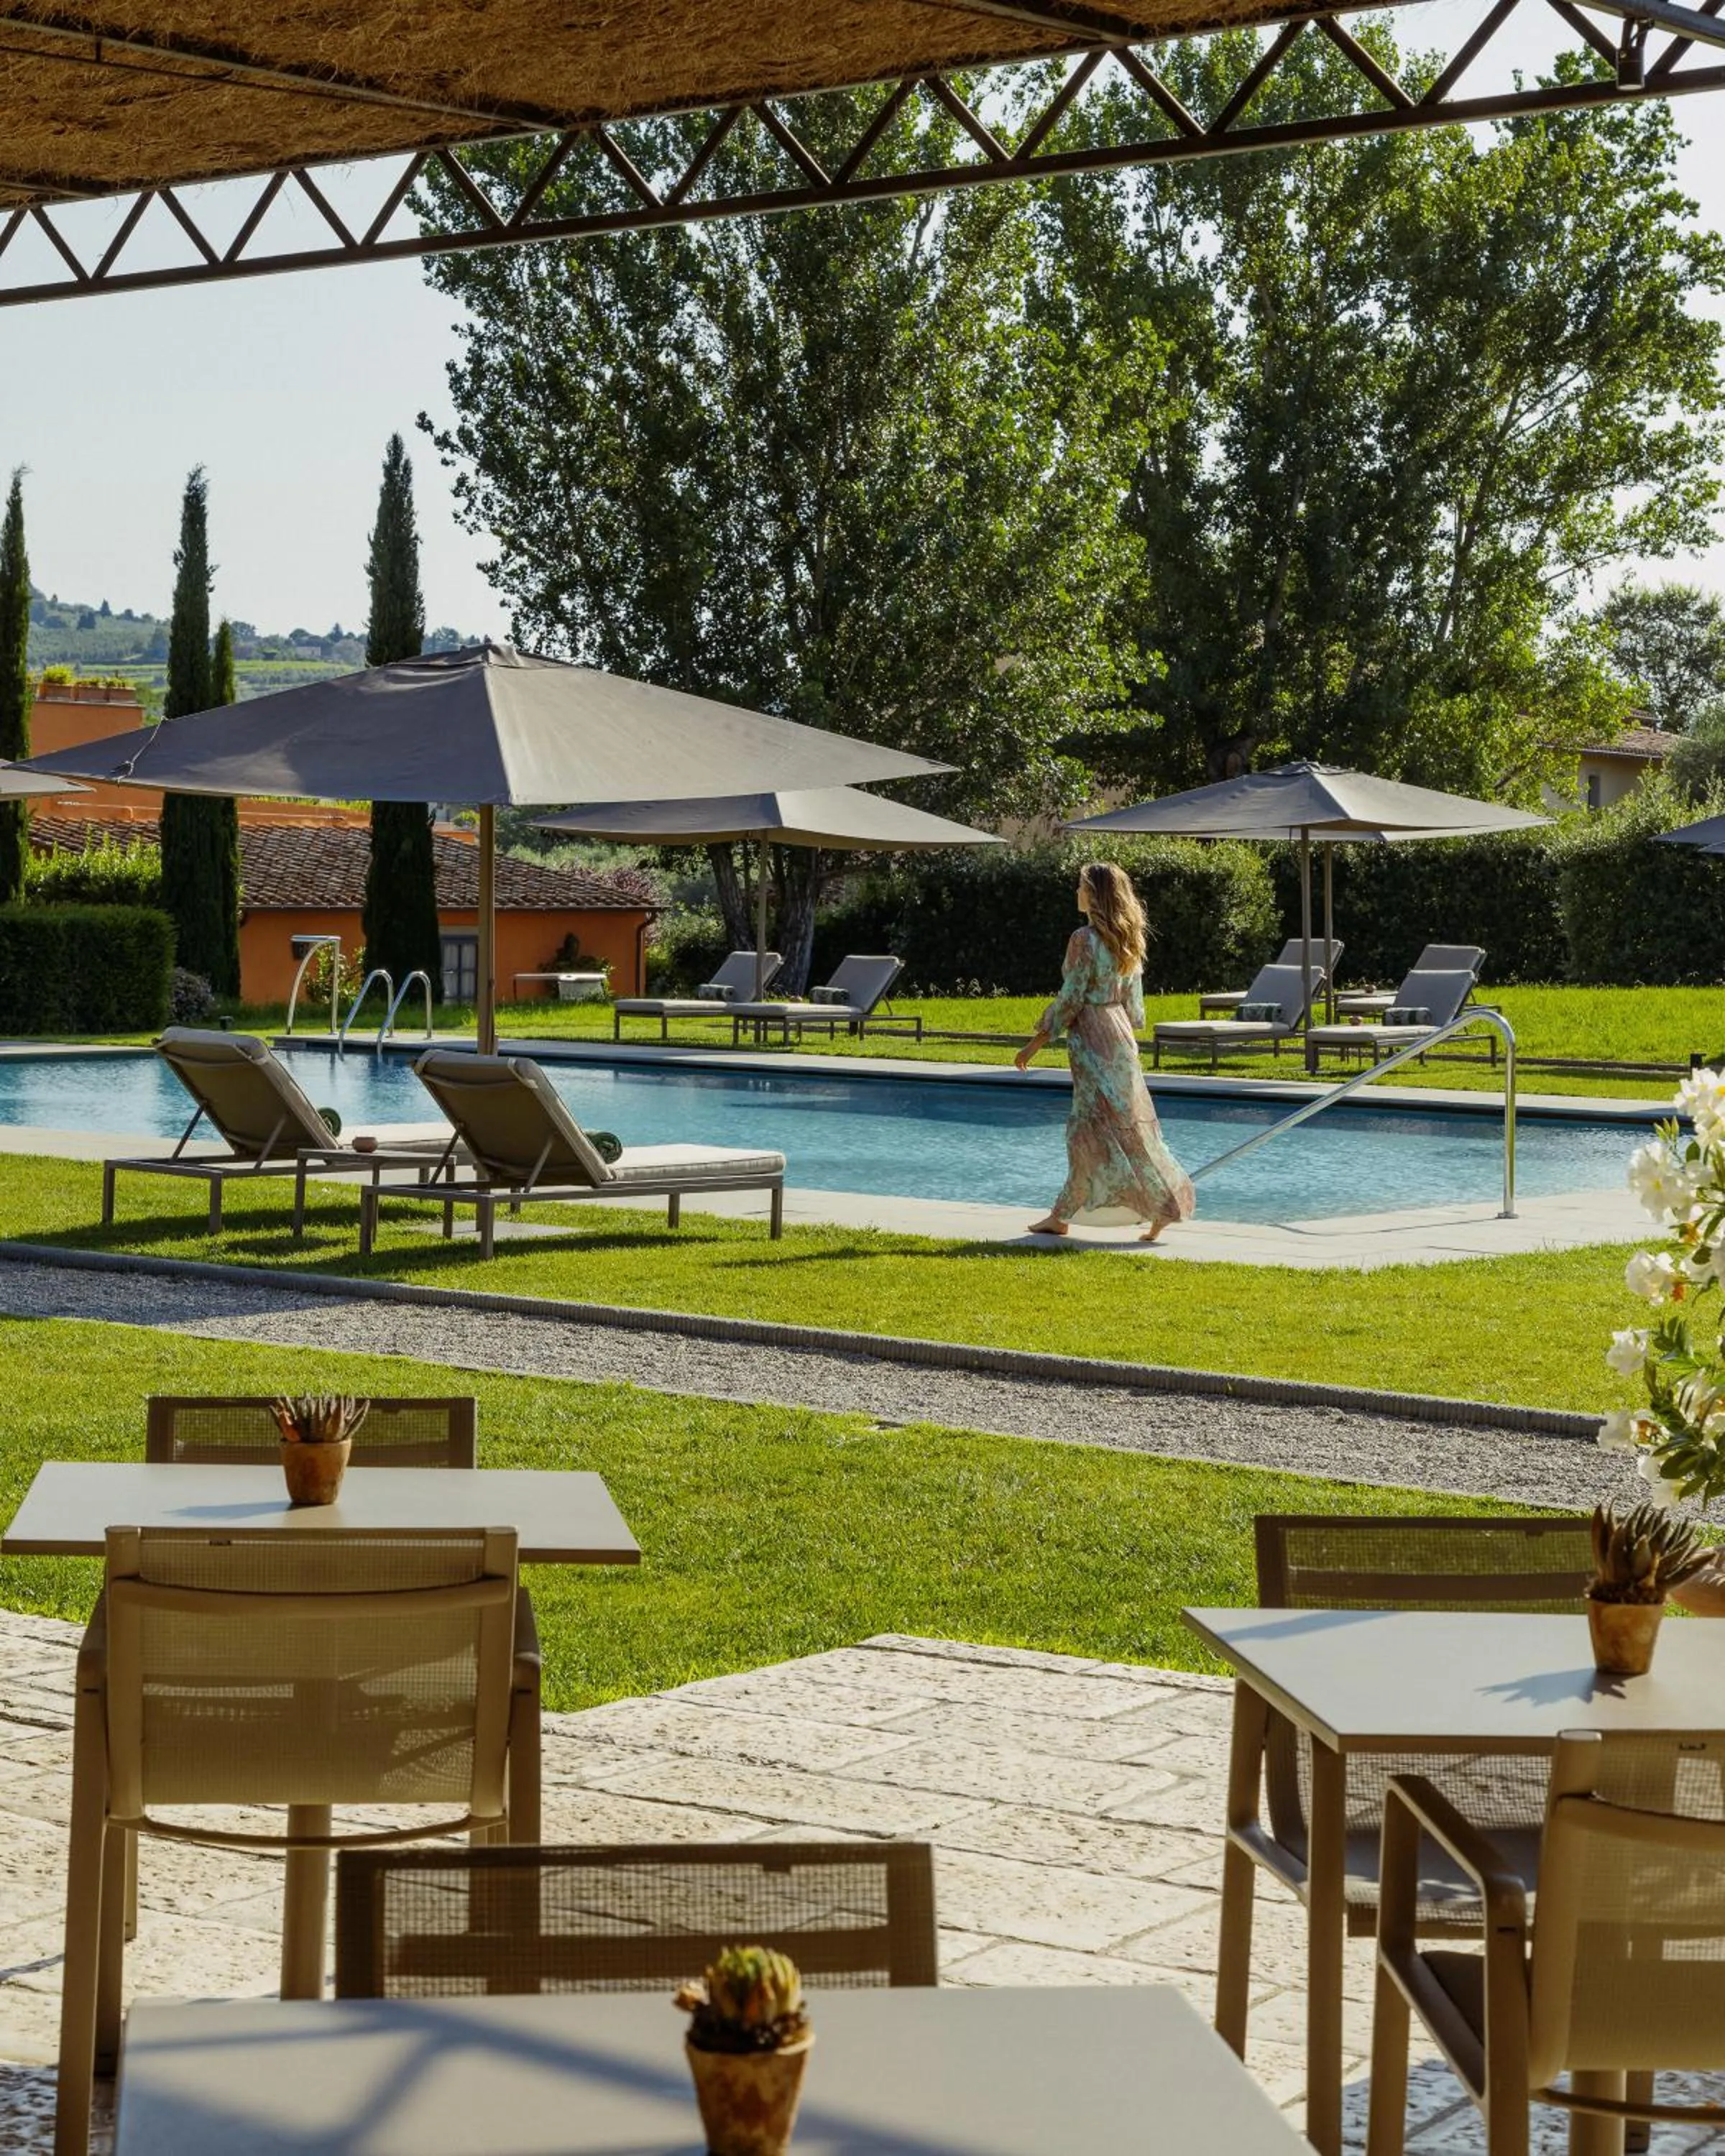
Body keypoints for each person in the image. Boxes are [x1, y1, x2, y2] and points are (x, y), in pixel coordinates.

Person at [1013, 862, 1196, 1243]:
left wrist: (1035, 1042)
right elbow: (1135, 1006)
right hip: (1120, 1036)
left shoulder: (1084, 938)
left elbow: (1072, 996)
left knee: (1087, 1129)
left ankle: (1063, 1217)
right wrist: (1124, 1038)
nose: (1076, 893)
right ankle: (1159, 1208)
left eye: (1081, 887)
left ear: (1095, 895)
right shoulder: (1128, 938)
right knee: (1130, 1127)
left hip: (1093, 1036)